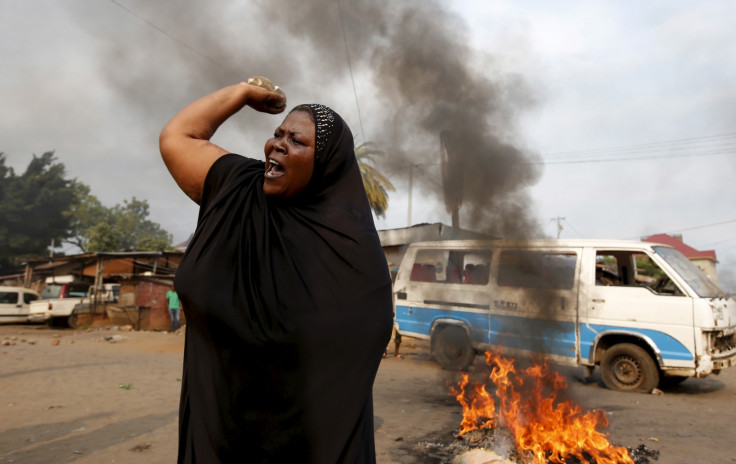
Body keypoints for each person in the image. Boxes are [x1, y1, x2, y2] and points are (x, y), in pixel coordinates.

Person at [159, 81, 394, 463]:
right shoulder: (238, 188)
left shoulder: (350, 251)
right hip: (215, 442)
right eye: (277, 134)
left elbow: (355, 351)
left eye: (297, 141)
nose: (278, 144)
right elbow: (178, 136)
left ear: (327, 166)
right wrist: (242, 93)